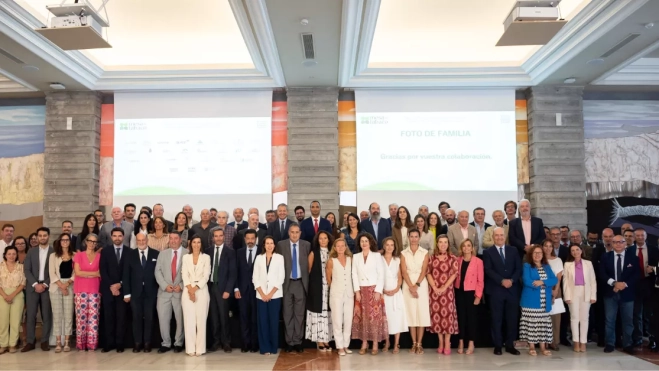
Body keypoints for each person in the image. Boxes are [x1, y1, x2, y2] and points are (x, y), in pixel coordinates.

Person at [483, 227, 522, 356]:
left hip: (512, 289)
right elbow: (488, 270)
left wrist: (511, 280)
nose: (499, 237)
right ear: (493, 237)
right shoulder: (488, 252)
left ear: (505, 236)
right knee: (496, 319)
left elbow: (518, 268)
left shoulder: (513, 250)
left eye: (501, 235)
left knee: (511, 319)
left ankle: (510, 345)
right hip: (496, 290)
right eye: (497, 235)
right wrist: (501, 281)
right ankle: (498, 345)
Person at [600, 234, 639, 354]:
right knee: (609, 320)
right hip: (610, 293)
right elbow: (602, 274)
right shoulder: (605, 256)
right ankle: (610, 344)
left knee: (628, 320)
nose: (618, 244)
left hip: (627, 294)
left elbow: (636, 275)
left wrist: (624, 285)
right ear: (611, 243)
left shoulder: (633, 257)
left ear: (625, 243)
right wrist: (615, 283)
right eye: (615, 242)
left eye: (621, 242)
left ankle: (628, 344)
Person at [276, 223, 311, 353]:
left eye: (297, 232)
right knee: (287, 314)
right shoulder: (281, 245)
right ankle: (289, 342)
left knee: (299, 314)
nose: (294, 234)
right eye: (292, 232)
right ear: (288, 233)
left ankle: (298, 341)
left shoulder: (306, 245)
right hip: (286, 283)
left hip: (300, 283)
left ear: (300, 233)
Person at [122, 233, 159, 353]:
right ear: (136, 241)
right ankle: (137, 343)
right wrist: (126, 294)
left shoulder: (156, 254)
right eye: (139, 240)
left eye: (143, 240)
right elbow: (126, 275)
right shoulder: (130, 254)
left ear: (147, 240)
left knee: (149, 318)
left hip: (151, 292)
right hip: (135, 293)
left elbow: (158, 274)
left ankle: (147, 343)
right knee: (136, 318)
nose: (142, 242)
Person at [351, 233, 387, 355]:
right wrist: (357, 291)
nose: (364, 243)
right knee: (363, 318)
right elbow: (354, 274)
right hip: (361, 290)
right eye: (362, 241)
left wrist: (378, 291)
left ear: (370, 242)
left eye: (366, 241)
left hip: (374, 290)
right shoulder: (356, 257)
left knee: (374, 318)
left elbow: (381, 274)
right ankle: (364, 343)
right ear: (359, 243)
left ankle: (375, 343)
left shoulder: (377, 256)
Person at [520, 245, 558, 356]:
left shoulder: (546, 266)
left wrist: (542, 282)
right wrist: (544, 282)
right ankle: (531, 347)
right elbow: (527, 281)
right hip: (530, 301)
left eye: (540, 253)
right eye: (535, 253)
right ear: (531, 255)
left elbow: (554, 279)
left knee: (543, 325)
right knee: (531, 325)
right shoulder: (527, 266)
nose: (537, 255)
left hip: (544, 301)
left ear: (543, 255)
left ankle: (542, 348)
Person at [154, 233, 187, 354]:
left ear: (180, 240)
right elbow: (157, 271)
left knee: (180, 320)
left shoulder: (187, 253)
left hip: (180, 293)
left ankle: (178, 343)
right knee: (163, 319)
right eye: (171, 238)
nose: (173, 241)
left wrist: (182, 285)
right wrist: (164, 285)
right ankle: (166, 343)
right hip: (164, 293)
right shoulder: (162, 254)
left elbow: (190, 273)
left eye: (176, 238)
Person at [205, 228, 237, 353]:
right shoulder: (208, 251)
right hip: (210, 287)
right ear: (212, 238)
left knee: (224, 317)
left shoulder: (230, 252)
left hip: (223, 288)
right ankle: (216, 342)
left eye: (220, 236)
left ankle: (226, 342)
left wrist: (228, 290)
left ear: (224, 237)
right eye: (215, 236)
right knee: (213, 317)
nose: (218, 238)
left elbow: (232, 273)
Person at [22, 227, 53, 352]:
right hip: (33, 288)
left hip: (47, 287)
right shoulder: (31, 252)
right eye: (40, 236)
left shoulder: (54, 251)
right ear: (37, 237)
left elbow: (55, 271)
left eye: (44, 235)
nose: (42, 238)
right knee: (30, 315)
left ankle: (44, 341)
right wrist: (35, 284)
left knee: (46, 315)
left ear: (48, 236)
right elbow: (27, 270)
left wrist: (45, 284)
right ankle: (30, 341)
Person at [427, 234, 458, 355]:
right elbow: (428, 273)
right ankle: (440, 342)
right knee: (437, 317)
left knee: (447, 317)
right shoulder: (432, 258)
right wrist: (435, 287)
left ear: (448, 244)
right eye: (440, 242)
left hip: (447, 292)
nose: (443, 244)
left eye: (445, 242)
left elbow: (454, 274)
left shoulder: (452, 258)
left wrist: (444, 287)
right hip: (434, 292)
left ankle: (447, 342)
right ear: (437, 244)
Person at [400, 229, 431, 355]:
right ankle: (413, 343)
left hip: (421, 283)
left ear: (419, 238)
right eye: (411, 236)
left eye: (416, 236)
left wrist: (416, 285)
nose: (413, 239)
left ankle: (420, 344)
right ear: (408, 237)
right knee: (411, 314)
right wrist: (410, 286)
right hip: (407, 284)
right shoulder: (403, 253)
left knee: (421, 313)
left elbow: (424, 270)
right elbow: (403, 271)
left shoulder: (425, 252)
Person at [253, 236, 285, 355]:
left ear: (274, 245)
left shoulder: (279, 258)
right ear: (264, 245)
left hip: (275, 295)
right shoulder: (258, 258)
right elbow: (255, 278)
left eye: (272, 243)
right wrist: (263, 294)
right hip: (261, 295)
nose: (270, 245)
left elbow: (281, 277)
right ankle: (264, 347)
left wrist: (270, 294)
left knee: (273, 321)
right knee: (263, 322)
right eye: (267, 243)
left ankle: (273, 347)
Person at [563, 243, 597, 353]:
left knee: (584, 318)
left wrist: (593, 295)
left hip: (585, 292)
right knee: (574, 318)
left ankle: (583, 343)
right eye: (572, 250)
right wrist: (567, 296)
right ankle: (576, 342)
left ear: (581, 251)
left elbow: (592, 280)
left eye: (577, 250)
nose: (575, 252)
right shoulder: (568, 264)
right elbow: (566, 282)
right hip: (573, 293)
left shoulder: (588, 263)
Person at [99, 227, 129, 353]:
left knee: (121, 318)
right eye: (115, 236)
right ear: (111, 237)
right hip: (108, 290)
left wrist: (119, 284)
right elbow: (103, 270)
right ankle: (109, 343)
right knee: (108, 317)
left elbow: (128, 272)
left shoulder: (129, 251)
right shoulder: (105, 251)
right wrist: (112, 286)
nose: (117, 238)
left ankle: (120, 343)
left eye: (119, 236)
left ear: (123, 237)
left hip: (122, 289)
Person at [182, 235, 211, 357]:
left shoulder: (206, 257)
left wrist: (195, 289)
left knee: (201, 321)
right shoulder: (185, 257)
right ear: (190, 244)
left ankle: (200, 348)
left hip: (201, 291)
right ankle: (190, 348)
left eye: (199, 242)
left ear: (201, 244)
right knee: (189, 321)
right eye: (194, 242)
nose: (196, 244)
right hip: (187, 291)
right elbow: (184, 274)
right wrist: (190, 290)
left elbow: (206, 275)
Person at [305, 230, 334, 351]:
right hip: (317, 288)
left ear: (329, 240)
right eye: (320, 238)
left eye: (325, 238)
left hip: (330, 287)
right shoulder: (313, 253)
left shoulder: (333, 253)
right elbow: (308, 271)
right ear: (317, 240)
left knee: (328, 313)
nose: (323, 240)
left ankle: (327, 339)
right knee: (318, 313)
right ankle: (319, 340)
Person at [454, 238, 483, 355]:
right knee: (461, 318)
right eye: (464, 246)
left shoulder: (478, 261)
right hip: (459, 292)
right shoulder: (458, 260)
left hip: (471, 293)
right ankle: (461, 341)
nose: (466, 248)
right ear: (461, 248)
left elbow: (480, 280)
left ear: (472, 248)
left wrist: (478, 296)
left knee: (471, 319)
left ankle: (471, 342)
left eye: (468, 245)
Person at [73, 233, 102, 351]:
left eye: (94, 242)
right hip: (80, 290)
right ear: (86, 241)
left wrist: (86, 274)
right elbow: (78, 272)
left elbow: (100, 273)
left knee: (94, 318)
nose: (92, 244)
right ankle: (81, 344)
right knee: (81, 318)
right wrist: (93, 274)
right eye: (90, 241)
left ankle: (92, 344)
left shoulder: (100, 256)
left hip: (95, 289)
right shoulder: (79, 255)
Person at [327, 238, 355, 356]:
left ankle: (346, 345)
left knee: (348, 320)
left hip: (349, 293)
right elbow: (329, 278)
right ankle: (339, 346)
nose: (340, 248)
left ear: (345, 247)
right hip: (336, 294)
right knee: (337, 320)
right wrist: (334, 288)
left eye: (342, 246)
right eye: (337, 246)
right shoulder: (331, 261)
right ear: (334, 248)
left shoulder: (350, 259)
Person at [235, 229, 261, 353]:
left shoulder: (262, 251)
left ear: (256, 239)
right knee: (244, 317)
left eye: (252, 238)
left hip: (257, 290)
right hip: (242, 290)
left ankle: (255, 343)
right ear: (244, 239)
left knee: (255, 318)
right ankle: (245, 343)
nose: (250, 241)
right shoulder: (239, 252)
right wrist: (236, 288)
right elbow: (235, 272)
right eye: (248, 238)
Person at [380, 237, 407, 354]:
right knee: (386, 319)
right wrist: (382, 290)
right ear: (384, 246)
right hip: (383, 293)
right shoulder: (379, 259)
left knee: (396, 318)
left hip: (396, 293)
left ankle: (396, 344)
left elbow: (400, 277)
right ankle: (387, 342)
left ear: (394, 247)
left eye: (392, 245)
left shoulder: (397, 260)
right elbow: (377, 277)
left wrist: (396, 289)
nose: (389, 247)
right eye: (387, 245)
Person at [48, 234, 75, 353]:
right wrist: (61, 285)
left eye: (67, 240)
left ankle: (67, 342)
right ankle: (58, 342)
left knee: (68, 315)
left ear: (70, 241)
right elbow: (51, 273)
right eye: (62, 240)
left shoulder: (75, 255)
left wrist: (67, 284)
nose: (65, 242)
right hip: (56, 286)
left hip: (70, 285)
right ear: (59, 242)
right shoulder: (53, 256)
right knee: (57, 315)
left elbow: (76, 272)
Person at [0, 246, 25, 354]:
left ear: (17, 255)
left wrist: (12, 295)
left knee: (15, 321)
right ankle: (3, 344)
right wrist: (5, 295)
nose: (11, 256)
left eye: (14, 254)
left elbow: (23, 283)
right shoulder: (0, 267)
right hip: (2, 294)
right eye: (9, 254)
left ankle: (13, 344)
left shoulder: (21, 267)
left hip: (17, 294)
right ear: (5, 255)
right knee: (3, 321)